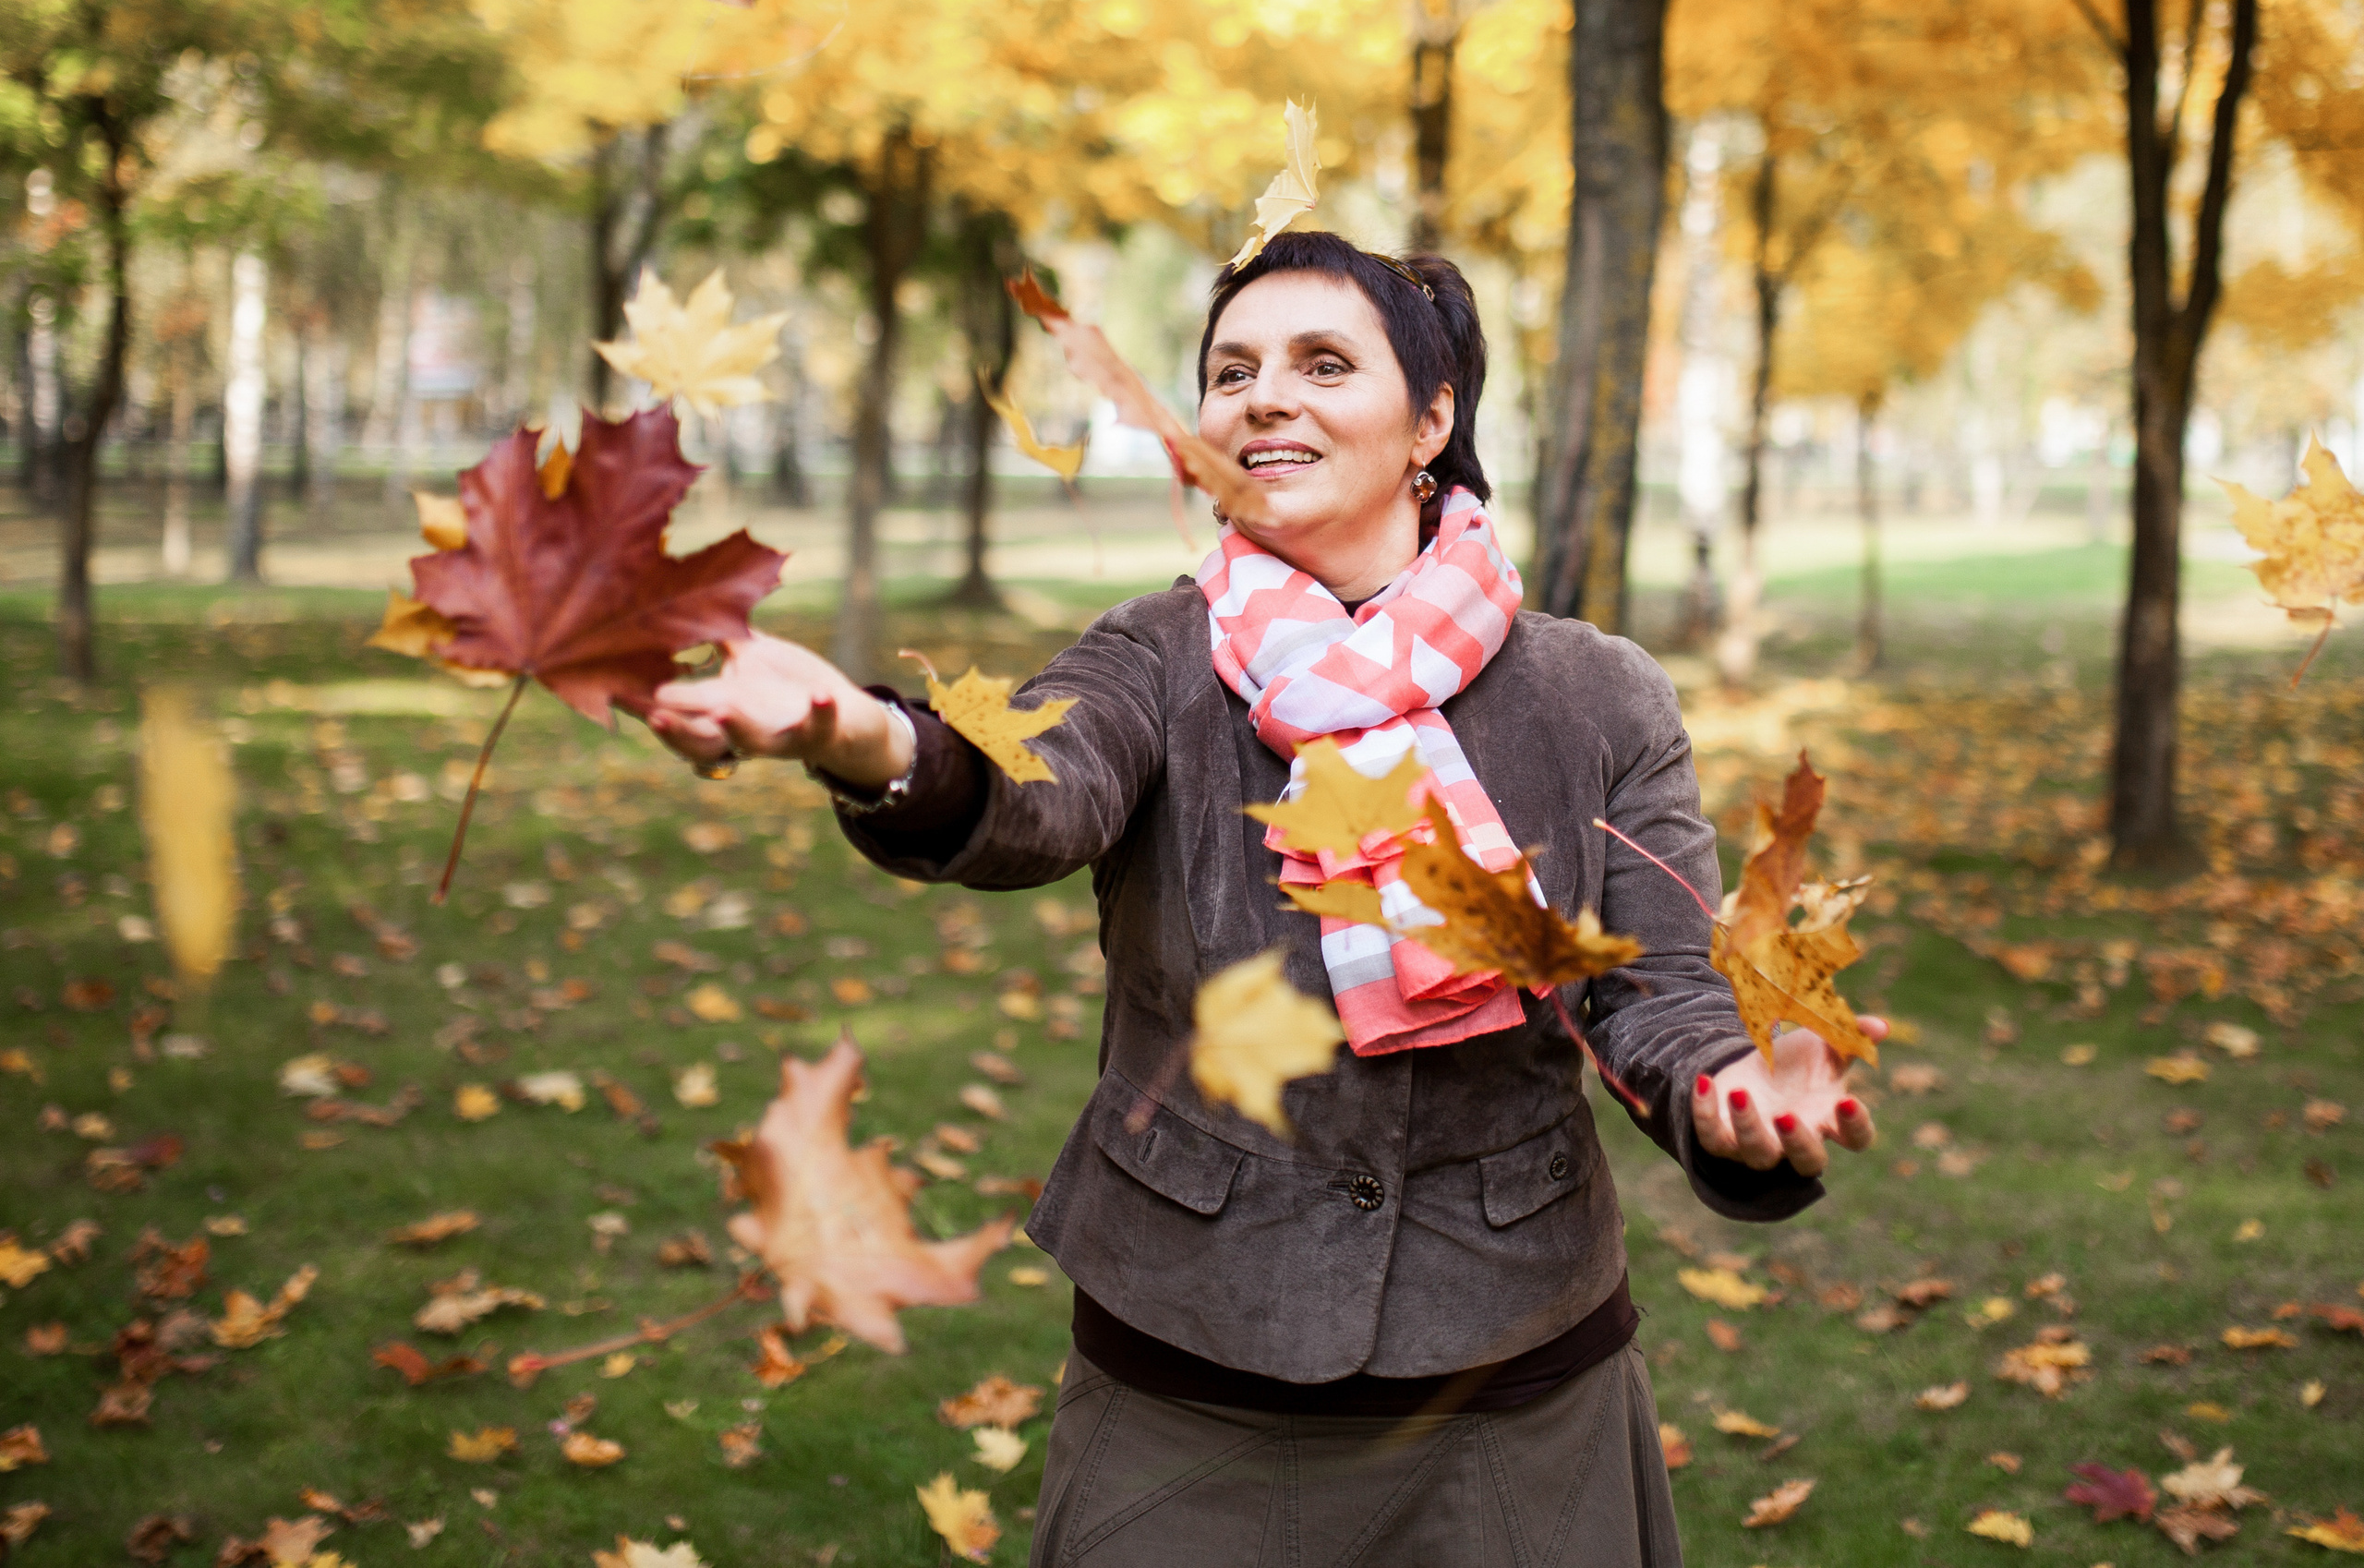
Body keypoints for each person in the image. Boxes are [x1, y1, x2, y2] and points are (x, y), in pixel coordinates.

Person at [647, 231, 1883, 1566]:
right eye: (1230, 370)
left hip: (1516, 1399)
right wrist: (867, 739)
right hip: (1188, 1393)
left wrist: (1726, 1099)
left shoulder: (1594, 696)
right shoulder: (1157, 657)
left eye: (1322, 362)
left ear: (1433, 418)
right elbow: (1034, 791)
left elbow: (1655, 995)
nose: (1262, 395)